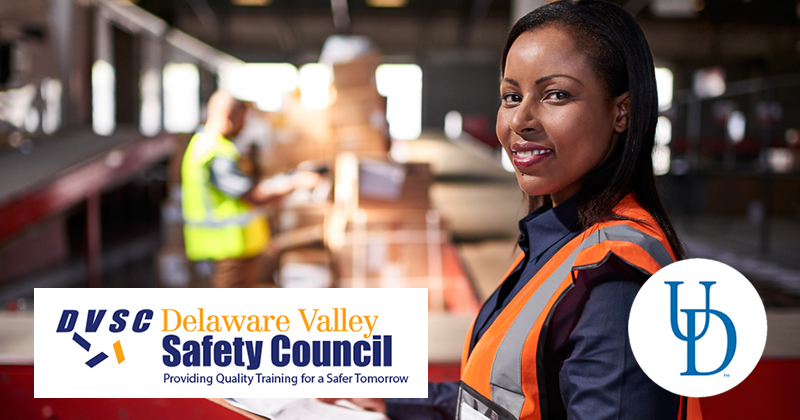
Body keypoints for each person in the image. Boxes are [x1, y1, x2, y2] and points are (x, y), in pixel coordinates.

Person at [322, 1, 702, 419]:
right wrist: (398, 403)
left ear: (621, 112)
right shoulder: (560, 243)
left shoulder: (613, 282)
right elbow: (509, 400)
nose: (520, 119)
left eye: (556, 94)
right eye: (511, 96)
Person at [181, 90, 317, 288]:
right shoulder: (215, 151)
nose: (243, 127)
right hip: (226, 250)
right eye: (242, 120)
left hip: (232, 248)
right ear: (229, 116)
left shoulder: (211, 145)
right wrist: (293, 183)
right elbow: (251, 195)